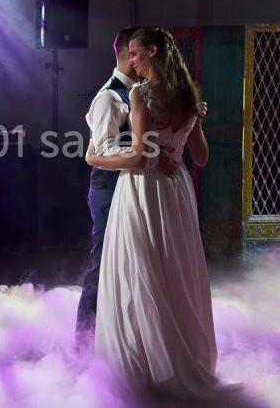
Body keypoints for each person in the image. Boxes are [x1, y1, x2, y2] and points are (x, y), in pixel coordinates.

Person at [85, 27, 220, 400]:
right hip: (177, 191)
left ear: (152, 52)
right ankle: (179, 356)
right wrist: (172, 147)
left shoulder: (140, 93)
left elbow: (140, 157)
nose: (131, 61)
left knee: (138, 270)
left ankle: (145, 363)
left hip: (142, 189)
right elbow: (203, 158)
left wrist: (94, 157)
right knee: (174, 270)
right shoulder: (189, 95)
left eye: (136, 54)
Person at [76, 26, 179, 346]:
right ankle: (83, 343)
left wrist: (152, 152)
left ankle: (125, 341)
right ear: (128, 56)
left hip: (132, 191)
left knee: (130, 266)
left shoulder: (142, 92)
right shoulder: (109, 96)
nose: (141, 58)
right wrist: (150, 155)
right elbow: (101, 150)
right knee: (103, 264)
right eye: (135, 53)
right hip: (109, 191)